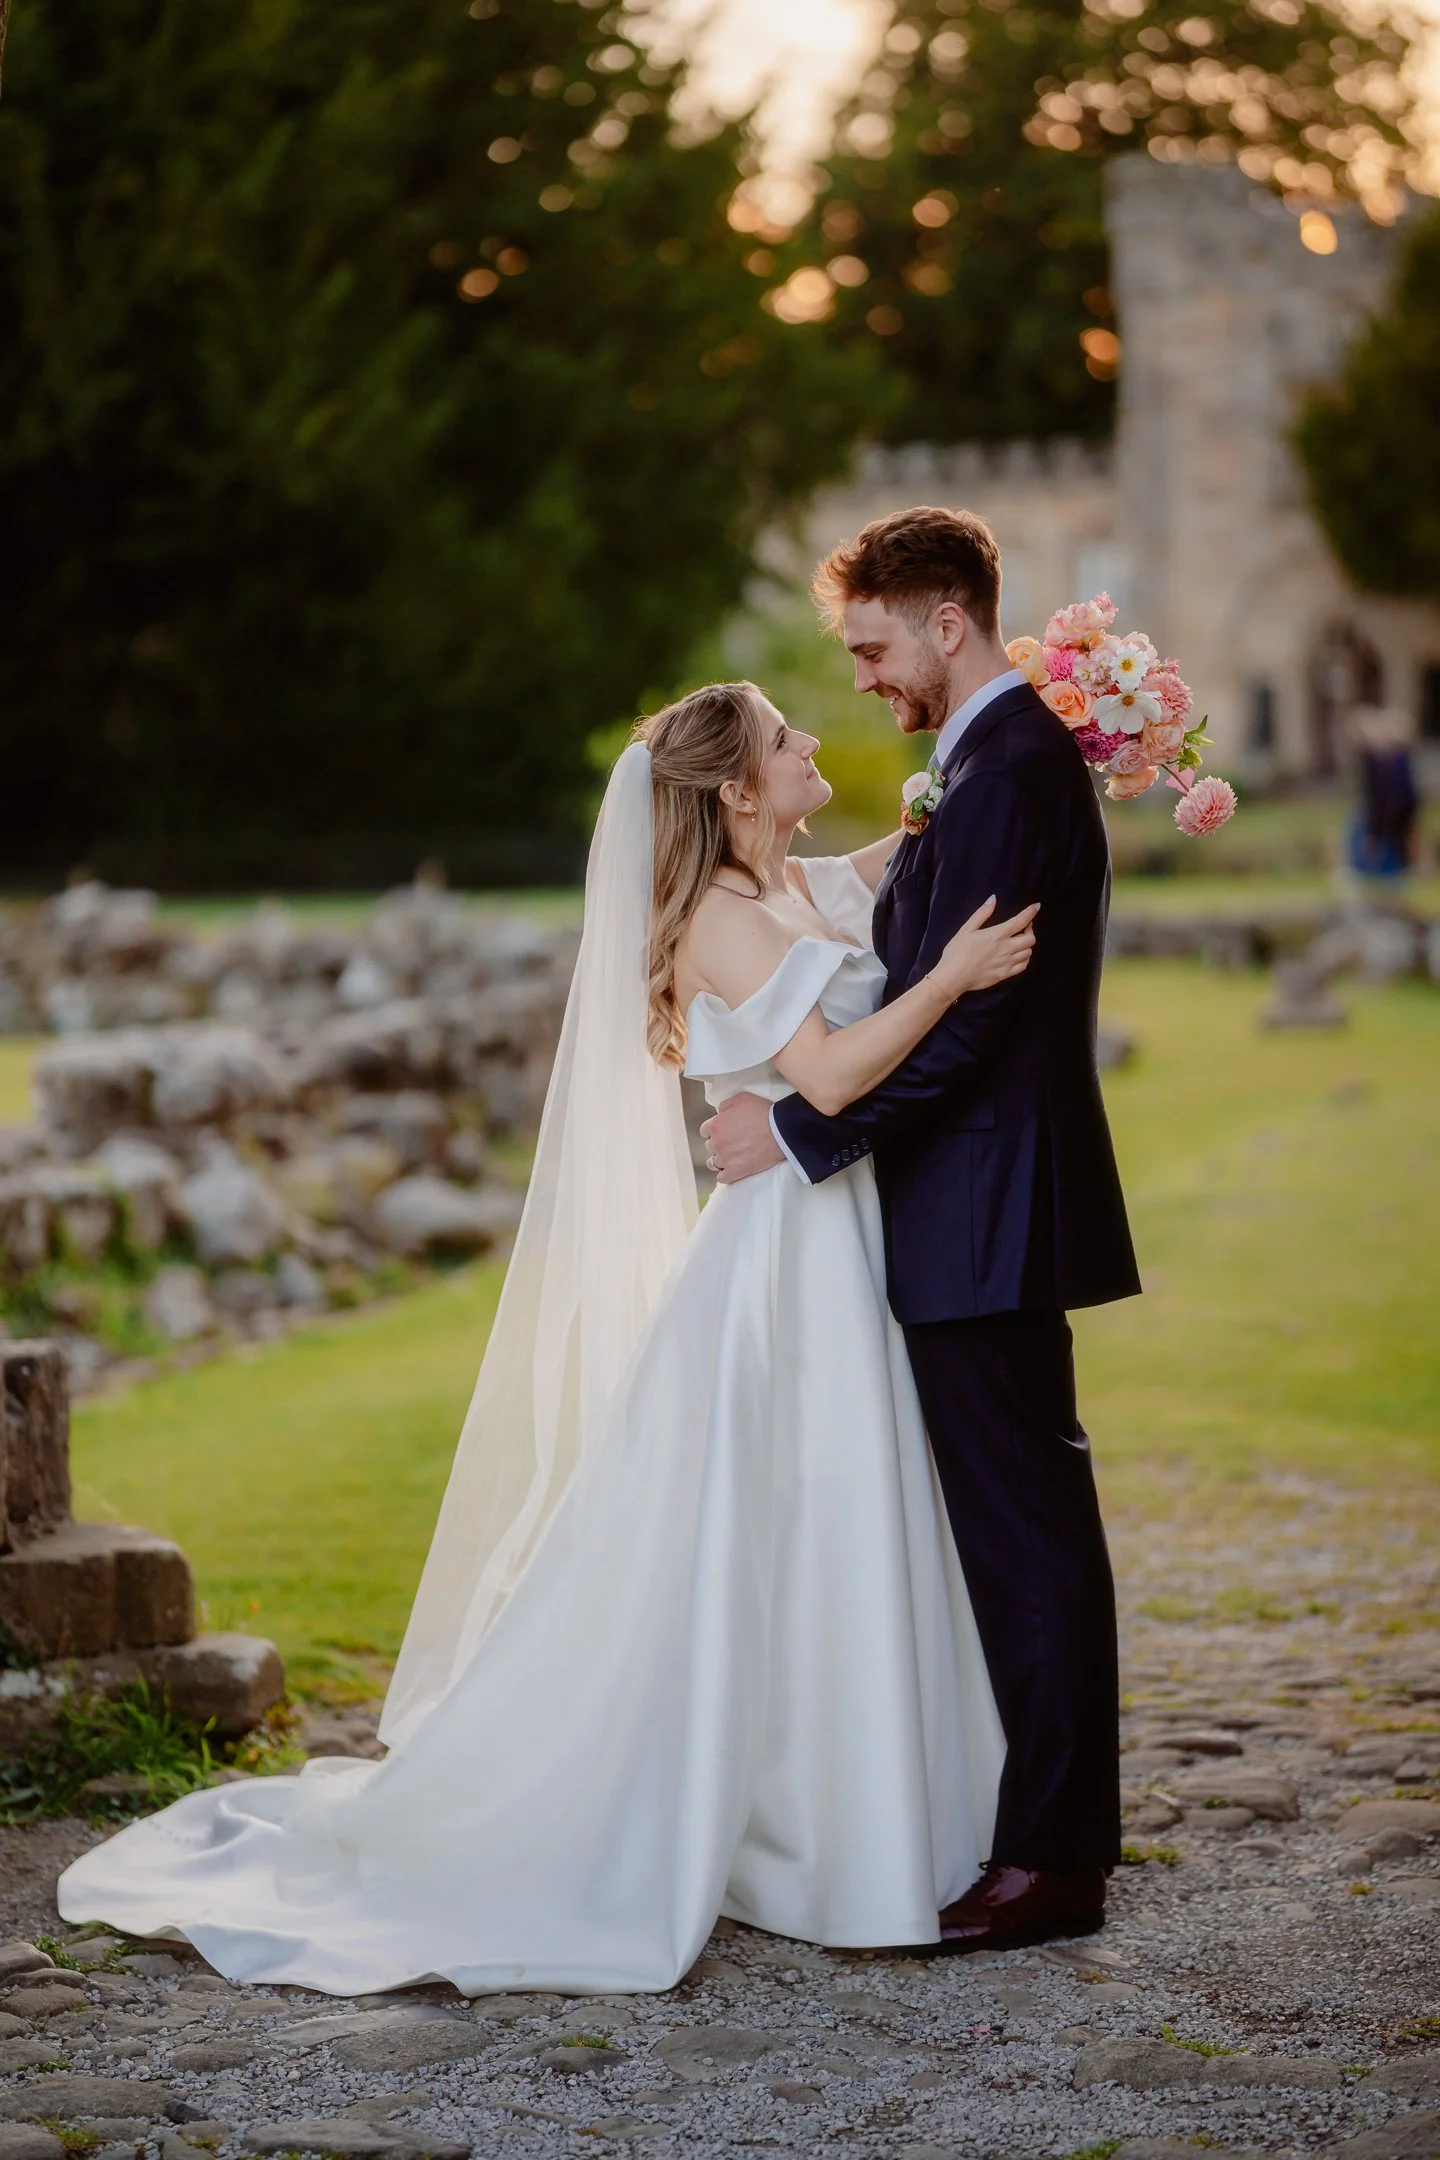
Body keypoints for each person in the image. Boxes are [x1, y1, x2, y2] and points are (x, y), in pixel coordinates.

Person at [57, 679, 1041, 1996]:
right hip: (784, 1263)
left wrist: (1024, 742)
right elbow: (828, 1075)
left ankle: (852, 1812)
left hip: (840, 1239)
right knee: (795, 1510)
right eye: (785, 739)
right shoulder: (723, 919)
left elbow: (895, 849)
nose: (812, 742)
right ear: (736, 791)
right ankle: (812, 1837)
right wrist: (958, 977)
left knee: (833, 1519)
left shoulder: (788, 883)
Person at [704, 506, 1141, 1953]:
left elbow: (972, 1028)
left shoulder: (1007, 770)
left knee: (1028, 1540)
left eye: (874, 647)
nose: (864, 679)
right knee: (1014, 1535)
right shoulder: (979, 764)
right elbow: (917, 971)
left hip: (987, 1207)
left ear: (947, 623)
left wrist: (800, 1132)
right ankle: (1034, 1833)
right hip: (970, 1207)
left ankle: (1053, 1863)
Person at [1347, 704, 1420, 888]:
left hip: (1389, 818)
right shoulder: (1382, 760)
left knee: (1386, 856)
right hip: (1385, 817)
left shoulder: (1393, 761)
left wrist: (1377, 826)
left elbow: (1398, 795)